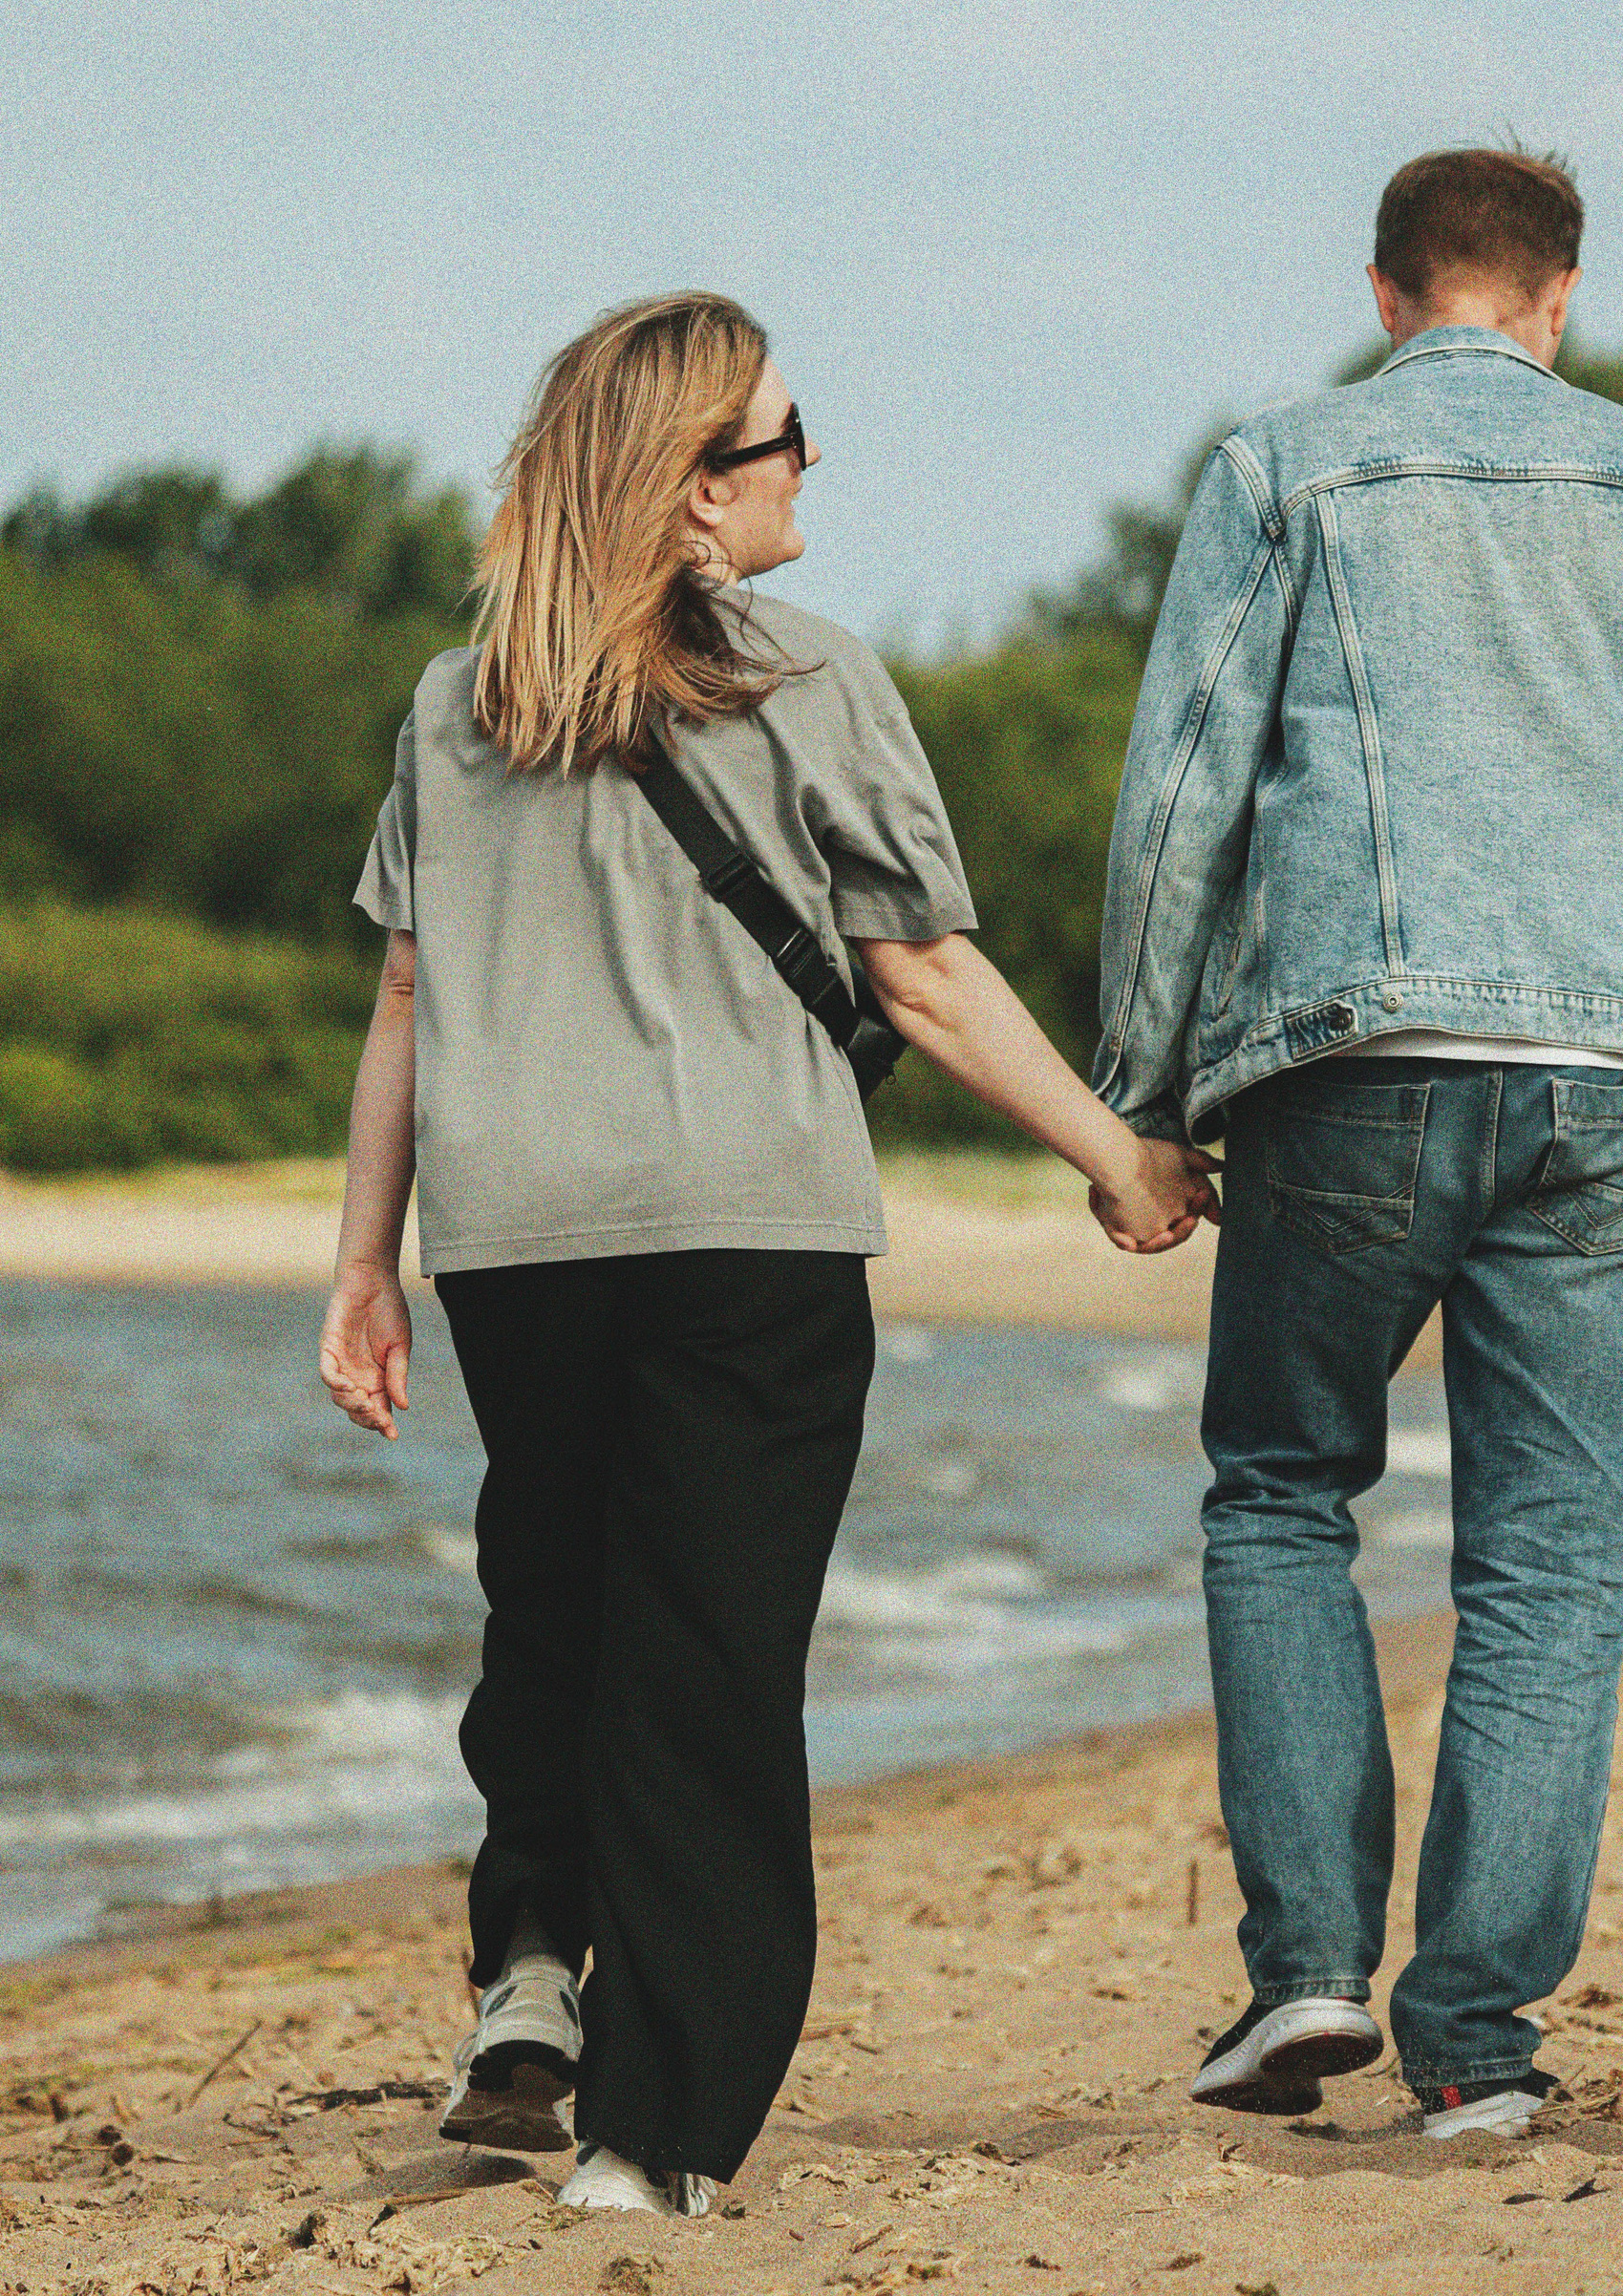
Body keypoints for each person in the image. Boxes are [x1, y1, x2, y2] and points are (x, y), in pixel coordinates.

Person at [318, 291, 1212, 2217]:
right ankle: (656, 2133)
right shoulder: (810, 679)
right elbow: (925, 979)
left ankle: (530, 1975)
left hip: (519, 1245)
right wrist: (1119, 1155)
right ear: (692, 493)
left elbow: (405, 996)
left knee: (553, 1604)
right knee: (706, 1663)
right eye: (785, 437)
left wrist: (362, 1265)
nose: (813, 464)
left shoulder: (456, 699)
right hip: (748, 1234)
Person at [1092, 149, 1623, 2139]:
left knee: (1275, 1491)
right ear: (1558, 298)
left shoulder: (1279, 470)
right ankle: (1477, 2056)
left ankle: (1308, 1974)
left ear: (1384, 287)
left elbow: (1179, 805)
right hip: (1607, 1091)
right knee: (1544, 1566)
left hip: (1340, 1064)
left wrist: (1136, 1097)